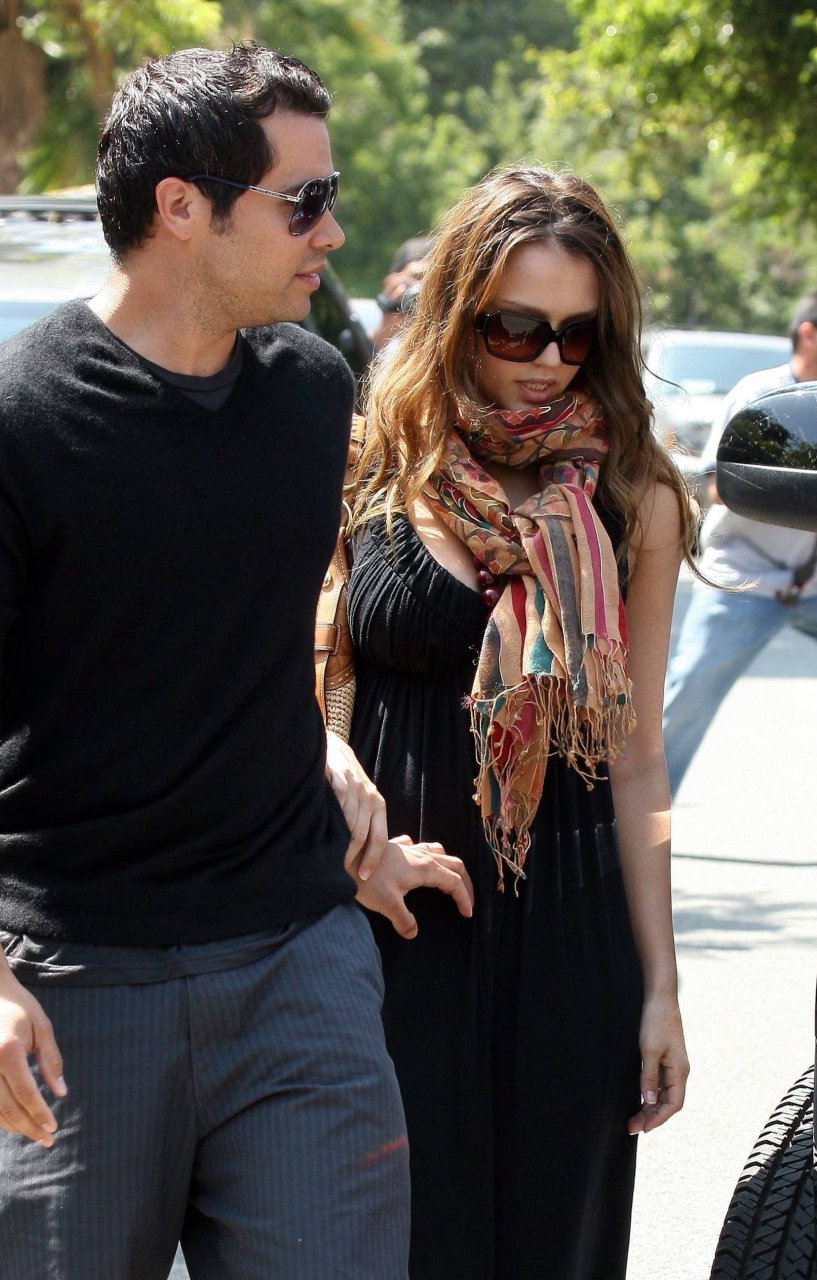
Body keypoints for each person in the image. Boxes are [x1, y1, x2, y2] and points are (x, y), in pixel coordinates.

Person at [0, 44, 471, 1280]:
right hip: (74, 981)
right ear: (182, 207)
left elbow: (239, 628)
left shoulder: (308, 392)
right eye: (303, 201)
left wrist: (321, 765)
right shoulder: (1, 421)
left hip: (296, 965)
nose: (332, 231)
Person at [342, 164, 695, 1280]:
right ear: (456, 314)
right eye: (517, 327)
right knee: (398, 1246)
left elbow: (638, 760)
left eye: (577, 335)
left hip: (572, 941)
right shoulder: (369, 466)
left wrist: (661, 986)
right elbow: (293, 692)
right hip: (396, 924)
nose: (548, 359)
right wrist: (344, 842)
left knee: (556, 1250)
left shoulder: (634, 498)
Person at [661, 289, 817, 794]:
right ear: (809, 334)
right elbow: (718, 485)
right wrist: (804, 488)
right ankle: (633, 824)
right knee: (689, 692)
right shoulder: (763, 395)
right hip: (745, 572)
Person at [369, 235, 434, 351]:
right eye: (419, 276)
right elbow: (365, 359)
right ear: (391, 282)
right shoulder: (386, 342)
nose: (425, 287)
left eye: (434, 279)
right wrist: (388, 326)